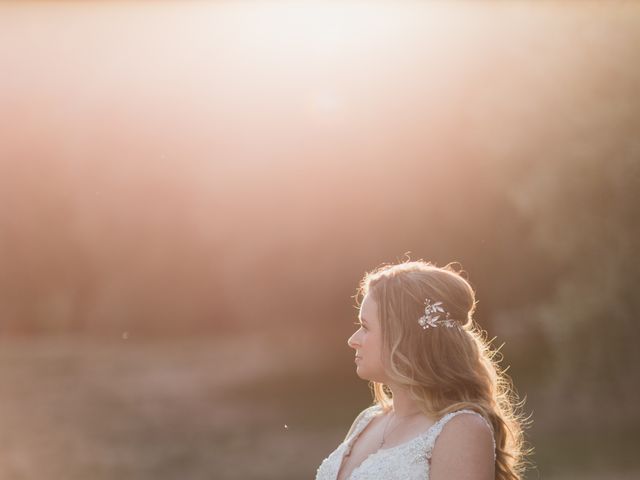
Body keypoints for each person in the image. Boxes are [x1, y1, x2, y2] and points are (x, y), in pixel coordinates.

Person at [315, 260, 531, 480]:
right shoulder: (368, 421)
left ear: (405, 337)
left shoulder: (461, 430)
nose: (353, 340)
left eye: (366, 327)